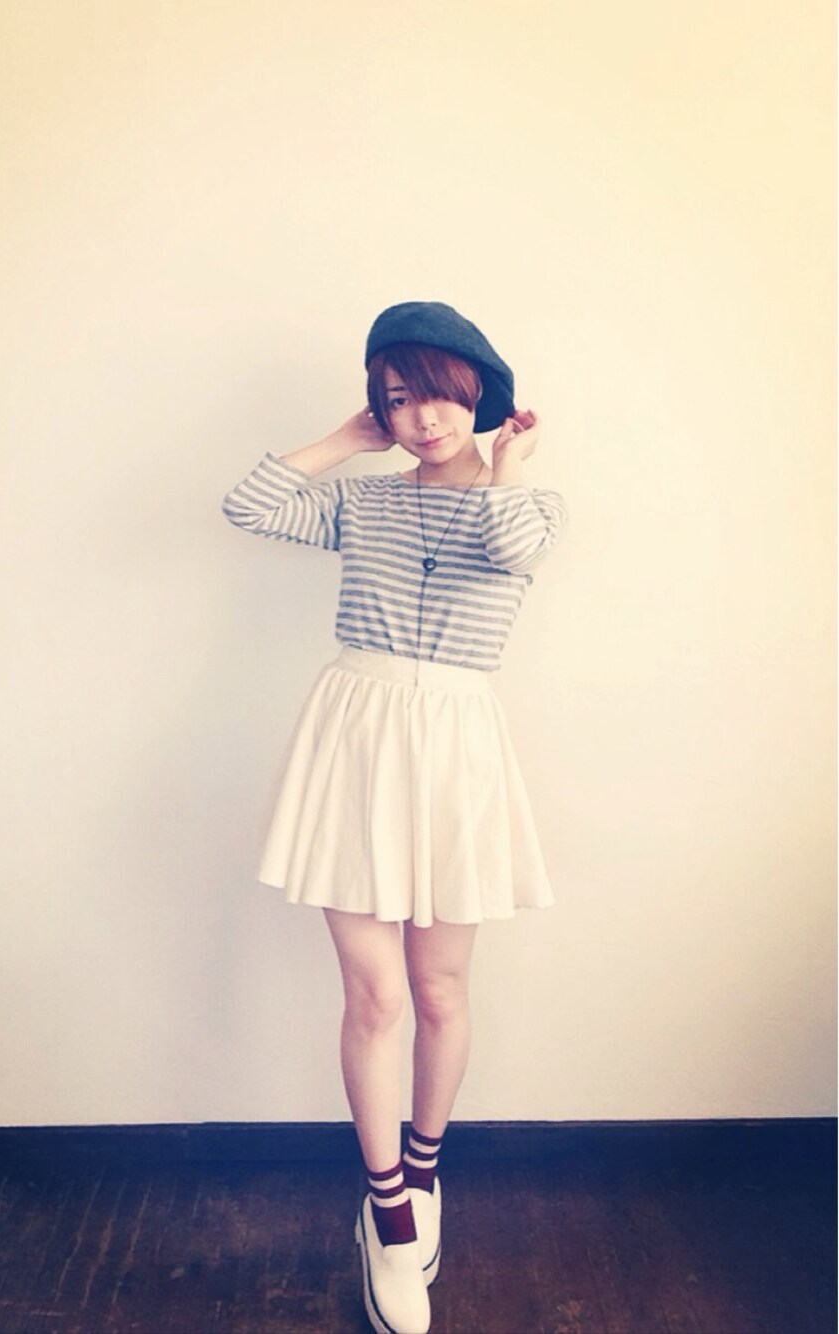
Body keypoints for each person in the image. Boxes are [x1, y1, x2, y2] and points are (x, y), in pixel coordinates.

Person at [222, 301, 568, 1334]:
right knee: (374, 996)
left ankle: (425, 1169)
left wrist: (507, 465)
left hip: (456, 744)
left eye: (440, 395)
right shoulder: (362, 501)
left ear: (481, 394)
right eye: (398, 398)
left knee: (440, 987)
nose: (421, 418)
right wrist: (344, 439)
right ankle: (388, 1213)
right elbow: (247, 504)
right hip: (358, 737)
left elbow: (511, 548)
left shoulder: (530, 504)